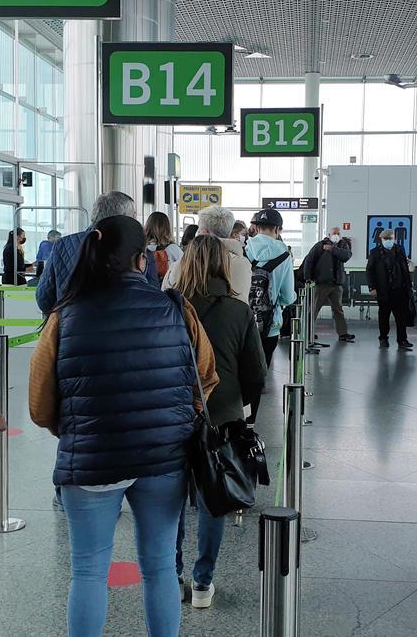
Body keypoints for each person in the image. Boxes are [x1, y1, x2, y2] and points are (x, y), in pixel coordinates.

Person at [29, 215, 219, 637]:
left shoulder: (65, 315)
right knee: (159, 569)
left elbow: (39, 406)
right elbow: (206, 376)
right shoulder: (176, 308)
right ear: (142, 260)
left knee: (88, 572)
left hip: (90, 461)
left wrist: (81, 426)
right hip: (164, 460)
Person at [172, 235, 266, 609]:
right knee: (213, 497)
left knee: (172, 500)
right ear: (223, 266)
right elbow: (256, 374)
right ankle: (202, 583)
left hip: (175, 414)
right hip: (222, 416)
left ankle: (172, 573)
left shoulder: (169, 306)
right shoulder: (238, 311)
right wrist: (235, 405)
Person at [36, 191, 157, 314]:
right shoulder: (139, 249)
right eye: (133, 214)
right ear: (124, 218)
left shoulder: (62, 245)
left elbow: (43, 300)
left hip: (72, 328)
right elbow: (153, 299)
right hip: (127, 327)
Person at [164, 206, 252, 299]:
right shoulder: (244, 264)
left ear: (204, 232)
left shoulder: (183, 263)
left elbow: (166, 295)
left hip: (189, 313)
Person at [246, 209, 297, 368]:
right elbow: (288, 297)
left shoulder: (244, 250)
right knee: (261, 370)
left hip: (242, 321)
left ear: (256, 228)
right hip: (270, 323)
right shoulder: (284, 255)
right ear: (277, 229)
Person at [300, 226, 356, 343]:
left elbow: (346, 256)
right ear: (329, 235)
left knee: (338, 310)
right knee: (314, 309)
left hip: (336, 284)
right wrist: (307, 278)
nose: (336, 235)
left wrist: (332, 249)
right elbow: (309, 261)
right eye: (334, 233)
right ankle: (307, 333)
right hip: (322, 283)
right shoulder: (320, 245)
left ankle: (343, 333)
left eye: (338, 233)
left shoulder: (342, 245)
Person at [367, 228, 414, 349]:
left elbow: (404, 268)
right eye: (386, 238)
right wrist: (372, 287)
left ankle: (402, 340)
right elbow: (370, 271)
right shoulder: (375, 252)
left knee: (401, 316)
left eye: (390, 238)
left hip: (399, 289)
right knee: (384, 316)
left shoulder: (400, 249)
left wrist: (409, 285)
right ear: (381, 239)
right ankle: (383, 338)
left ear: (394, 239)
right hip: (383, 290)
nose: (388, 240)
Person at [146, 211, 184, 279]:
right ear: (167, 228)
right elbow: (185, 268)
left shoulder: (142, 247)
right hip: (167, 288)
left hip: (145, 287)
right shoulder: (173, 249)